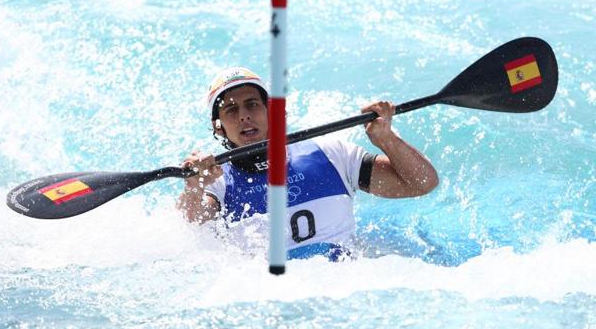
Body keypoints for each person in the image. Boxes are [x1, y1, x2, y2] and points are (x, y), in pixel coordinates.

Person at [177, 67, 438, 261]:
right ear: (219, 128)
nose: (244, 115)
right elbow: (189, 229)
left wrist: (387, 139)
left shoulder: (331, 154)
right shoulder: (217, 182)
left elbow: (421, 183)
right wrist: (193, 186)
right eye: (231, 110)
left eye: (252, 104)